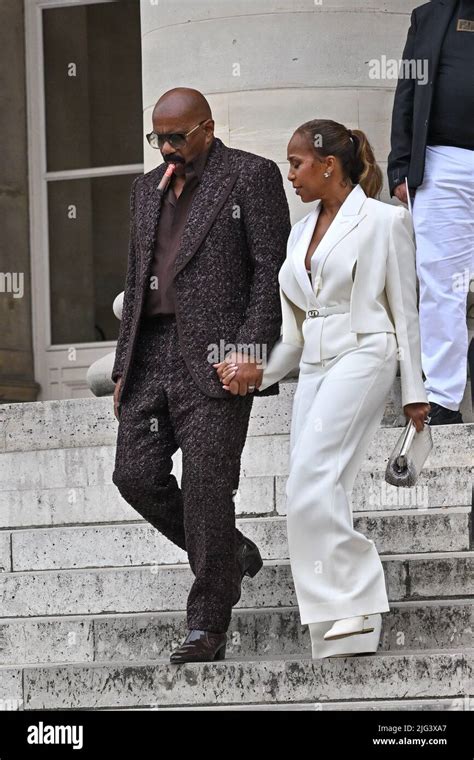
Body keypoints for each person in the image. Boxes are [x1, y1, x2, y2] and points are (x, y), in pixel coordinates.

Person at [217, 119, 430, 658]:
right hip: (313, 365)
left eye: (296, 163)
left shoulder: (386, 220)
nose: (290, 174)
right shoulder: (298, 232)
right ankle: (338, 615)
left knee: (315, 474)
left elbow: (406, 311)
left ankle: (357, 601)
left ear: (328, 164)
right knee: (306, 487)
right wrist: (258, 373)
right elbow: (294, 332)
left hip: (366, 350)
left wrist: (415, 392)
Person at [111, 88, 291, 663]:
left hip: (217, 357)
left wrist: (250, 351)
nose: (166, 147)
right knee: (133, 475)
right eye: (158, 137)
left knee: (210, 488)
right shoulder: (145, 189)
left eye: (177, 137)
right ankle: (230, 553)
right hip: (151, 356)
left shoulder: (251, 177)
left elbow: (271, 271)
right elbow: (138, 278)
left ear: (207, 128)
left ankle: (207, 621)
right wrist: (122, 366)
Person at [388, 0, 474, 424]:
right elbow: (408, 91)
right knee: (441, 282)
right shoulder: (430, 15)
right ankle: (443, 397)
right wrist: (401, 164)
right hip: (443, 162)